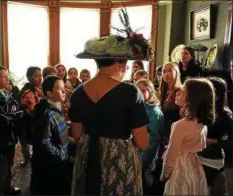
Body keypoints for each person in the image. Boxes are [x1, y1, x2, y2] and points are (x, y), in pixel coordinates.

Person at [69, 8, 153, 194]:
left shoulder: (77, 93)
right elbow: (142, 141)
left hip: (88, 158)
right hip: (118, 161)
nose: (127, 68)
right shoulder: (130, 92)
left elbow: (76, 134)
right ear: (118, 63)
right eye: (126, 63)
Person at [160, 78, 215, 195]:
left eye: (183, 91)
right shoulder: (201, 123)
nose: (177, 93)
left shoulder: (180, 125)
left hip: (180, 168)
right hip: (194, 166)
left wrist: (164, 175)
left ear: (192, 99)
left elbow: (172, 154)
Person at [30, 76, 74, 195]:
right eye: (60, 89)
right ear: (49, 93)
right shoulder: (46, 113)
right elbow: (44, 143)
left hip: (58, 161)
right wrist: (62, 156)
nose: (64, 92)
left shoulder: (57, 108)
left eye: (64, 88)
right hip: (50, 165)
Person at [0, 65, 21, 195]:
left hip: (10, 134)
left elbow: (16, 111)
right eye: (3, 77)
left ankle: (8, 187)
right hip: (1, 136)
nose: (7, 79)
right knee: (1, 166)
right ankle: (0, 190)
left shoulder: (8, 94)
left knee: (10, 163)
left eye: (7, 77)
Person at [199, 77, 233, 195]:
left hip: (215, 161)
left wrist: (212, 141)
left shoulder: (225, 116)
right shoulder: (203, 111)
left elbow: (229, 141)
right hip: (199, 158)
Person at [153, 62, 181, 195]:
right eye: (164, 71)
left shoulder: (180, 92)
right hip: (161, 134)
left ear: (176, 72)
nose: (166, 74)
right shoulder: (162, 91)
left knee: (166, 169)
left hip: (172, 136)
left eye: (170, 71)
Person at [136, 79, 163, 195]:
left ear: (150, 92)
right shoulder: (137, 107)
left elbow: (152, 140)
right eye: (137, 90)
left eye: (143, 90)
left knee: (147, 187)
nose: (139, 93)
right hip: (137, 154)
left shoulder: (154, 112)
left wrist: (142, 160)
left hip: (147, 159)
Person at [19, 66, 42, 167]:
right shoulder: (27, 91)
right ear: (29, 77)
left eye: (40, 76)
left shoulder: (41, 88)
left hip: (39, 118)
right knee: (26, 141)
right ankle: (26, 158)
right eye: (36, 76)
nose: (39, 78)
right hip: (28, 119)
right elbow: (29, 109)